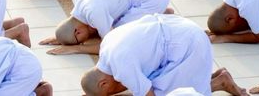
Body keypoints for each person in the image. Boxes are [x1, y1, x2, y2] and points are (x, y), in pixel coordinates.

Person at [81, 14, 247, 96]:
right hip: (176, 25)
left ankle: (220, 82)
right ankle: (214, 78)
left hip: (187, 42)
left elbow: (148, 93)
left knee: (171, 94)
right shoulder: (106, 46)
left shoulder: (122, 67)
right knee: (156, 81)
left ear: (103, 83)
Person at [42, 0, 171, 55]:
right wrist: (64, 38)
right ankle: (160, 12)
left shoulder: (94, 13)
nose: (85, 40)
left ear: (78, 31)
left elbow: (111, 45)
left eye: (80, 40)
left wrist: (76, 49)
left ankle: (159, 14)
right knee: (113, 28)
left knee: (123, 38)